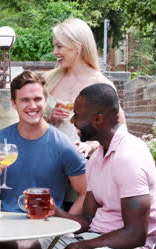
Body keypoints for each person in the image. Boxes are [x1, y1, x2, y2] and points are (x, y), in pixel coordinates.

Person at [0, 83, 156, 249]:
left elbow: (135, 235)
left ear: (97, 120)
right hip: (92, 238)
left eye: (77, 114)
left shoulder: (128, 156)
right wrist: (54, 211)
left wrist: (78, 247)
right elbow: (87, 220)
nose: (73, 120)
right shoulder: (97, 158)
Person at [0, 71, 87, 249]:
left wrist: (66, 222)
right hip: (0, 224)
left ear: (45, 100)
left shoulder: (63, 145)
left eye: (37, 99)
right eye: (25, 100)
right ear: (13, 103)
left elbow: (86, 191)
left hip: (41, 228)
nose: (32, 106)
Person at [44, 18, 126, 157]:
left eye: (59, 46)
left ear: (77, 46)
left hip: (87, 167)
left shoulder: (102, 85)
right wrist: (50, 119)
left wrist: (91, 145)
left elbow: (120, 131)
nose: (54, 52)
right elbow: (29, 123)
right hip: (50, 162)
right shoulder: (48, 79)